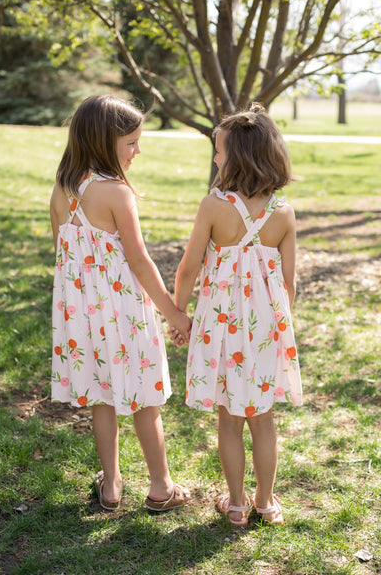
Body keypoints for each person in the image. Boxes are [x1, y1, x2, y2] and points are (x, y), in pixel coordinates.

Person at [50, 95, 191, 512]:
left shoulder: (62, 191)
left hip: (80, 317)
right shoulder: (115, 193)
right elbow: (140, 261)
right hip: (124, 313)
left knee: (102, 396)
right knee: (146, 400)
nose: (137, 150)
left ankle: (111, 488)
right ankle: (161, 488)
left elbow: (62, 254)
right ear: (101, 141)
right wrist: (174, 313)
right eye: (130, 142)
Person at [173, 103, 302, 526]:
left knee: (229, 417)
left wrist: (179, 311)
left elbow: (189, 267)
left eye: (219, 151)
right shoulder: (282, 212)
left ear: (239, 156)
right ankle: (266, 502)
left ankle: (235, 505)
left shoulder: (214, 205)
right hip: (266, 325)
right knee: (262, 417)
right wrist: (281, 326)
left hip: (221, 325)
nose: (215, 158)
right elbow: (289, 282)